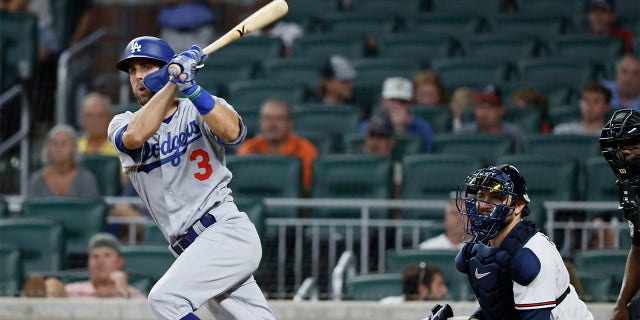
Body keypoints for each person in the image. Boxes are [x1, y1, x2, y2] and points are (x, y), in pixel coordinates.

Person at [107, 36, 274, 320]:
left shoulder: (197, 106)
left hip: (225, 231)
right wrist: (172, 81)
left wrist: (191, 88)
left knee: (166, 300)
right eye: (133, 70)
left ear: (166, 66)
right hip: (191, 250)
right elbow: (135, 137)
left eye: (146, 67)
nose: (137, 77)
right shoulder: (122, 121)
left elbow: (234, 133)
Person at [454, 164, 593, 320]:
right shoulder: (479, 248)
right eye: (481, 196)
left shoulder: (533, 253)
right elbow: (500, 304)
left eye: (496, 197)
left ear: (518, 206)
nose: (485, 204)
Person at [598, 108, 640, 320]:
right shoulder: (632, 188)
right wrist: (621, 303)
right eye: (620, 146)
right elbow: (638, 248)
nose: (625, 152)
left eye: (632, 143)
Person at [23, 233, 146, 299]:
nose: (100, 261)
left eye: (107, 255)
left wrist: (123, 292)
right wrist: (52, 289)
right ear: (88, 263)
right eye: (95, 256)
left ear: (120, 262)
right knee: (51, 285)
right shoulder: (73, 291)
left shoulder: (133, 295)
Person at [237, 98, 318, 194]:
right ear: (260, 122)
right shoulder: (248, 148)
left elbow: (307, 190)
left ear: (290, 123)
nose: (272, 124)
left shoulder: (305, 149)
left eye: (279, 118)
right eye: (267, 118)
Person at [361, 77, 434, 152]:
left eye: (402, 102)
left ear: (410, 104)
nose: (396, 105)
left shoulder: (423, 128)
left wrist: (400, 128)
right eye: (392, 100)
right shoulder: (368, 127)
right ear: (382, 102)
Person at [28, 124, 100, 199]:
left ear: (74, 149)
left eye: (64, 143)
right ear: (47, 149)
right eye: (54, 143)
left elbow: (91, 209)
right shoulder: (37, 181)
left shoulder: (86, 180)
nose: (58, 148)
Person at [458, 84, 525, 152]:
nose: (483, 113)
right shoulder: (464, 134)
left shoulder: (514, 134)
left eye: (489, 108)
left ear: (501, 110)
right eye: (480, 107)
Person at [380, 262, 448, 303]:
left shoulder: (442, 313)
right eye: (439, 285)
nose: (445, 290)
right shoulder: (386, 305)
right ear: (423, 289)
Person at [77, 92, 117, 156]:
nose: (94, 121)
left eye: (101, 115)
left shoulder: (121, 147)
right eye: (89, 116)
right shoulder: (75, 147)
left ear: (110, 118)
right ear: (83, 119)